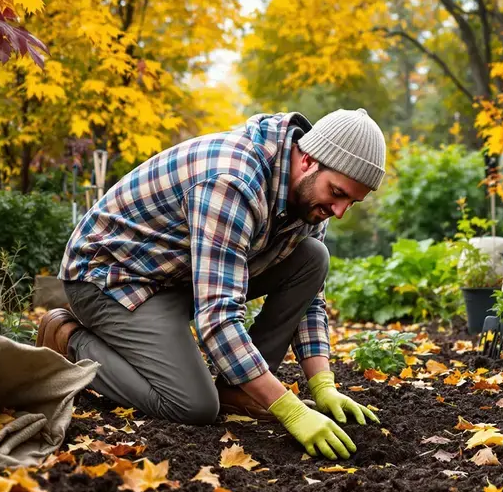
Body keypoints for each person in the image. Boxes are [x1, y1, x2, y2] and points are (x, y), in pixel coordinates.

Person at [37, 109, 384, 460]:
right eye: (337, 193)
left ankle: (241, 390)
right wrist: (289, 409)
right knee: (193, 405)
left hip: (179, 275)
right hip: (114, 277)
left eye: (351, 202)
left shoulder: (308, 199)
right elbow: (217, 315)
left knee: (313, 257)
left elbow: (309, 299)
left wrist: (323, 385)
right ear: (309, 160)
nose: (339, 211)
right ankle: (70, 341)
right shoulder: (233, 181)